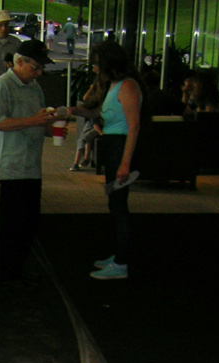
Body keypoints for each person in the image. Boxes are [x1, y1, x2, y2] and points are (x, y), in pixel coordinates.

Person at [0, 39, 59, 287]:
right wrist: (33, 121)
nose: (38, 73)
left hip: (31, 166)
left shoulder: (35, 88)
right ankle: (8, 273)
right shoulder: (2, 86)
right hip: (11, 166)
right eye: (35, 67)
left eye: (40, 69)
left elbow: (38, 120)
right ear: (19, 62)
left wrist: (51, 129)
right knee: (13, 224)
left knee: (29, 222)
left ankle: (19, 267)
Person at [69, 40, 143, 280]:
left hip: (120, 148)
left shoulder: (128, 86)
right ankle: (118, 256)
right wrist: (72, 111)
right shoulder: (115, 85)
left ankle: (121, 262)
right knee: (115, 204)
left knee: (119, 206)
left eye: (97, 64)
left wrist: (124, 163)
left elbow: (134, 126)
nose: (94, 69)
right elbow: (97, 113)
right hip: (113, 147)